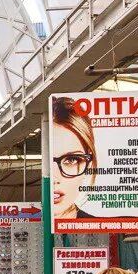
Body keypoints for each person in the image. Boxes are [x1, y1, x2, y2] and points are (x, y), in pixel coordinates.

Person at [50, 95, 103, 223]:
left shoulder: (112, 232)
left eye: (71, 160)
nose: (54, 179)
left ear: (88, 165)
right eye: (47, 161)